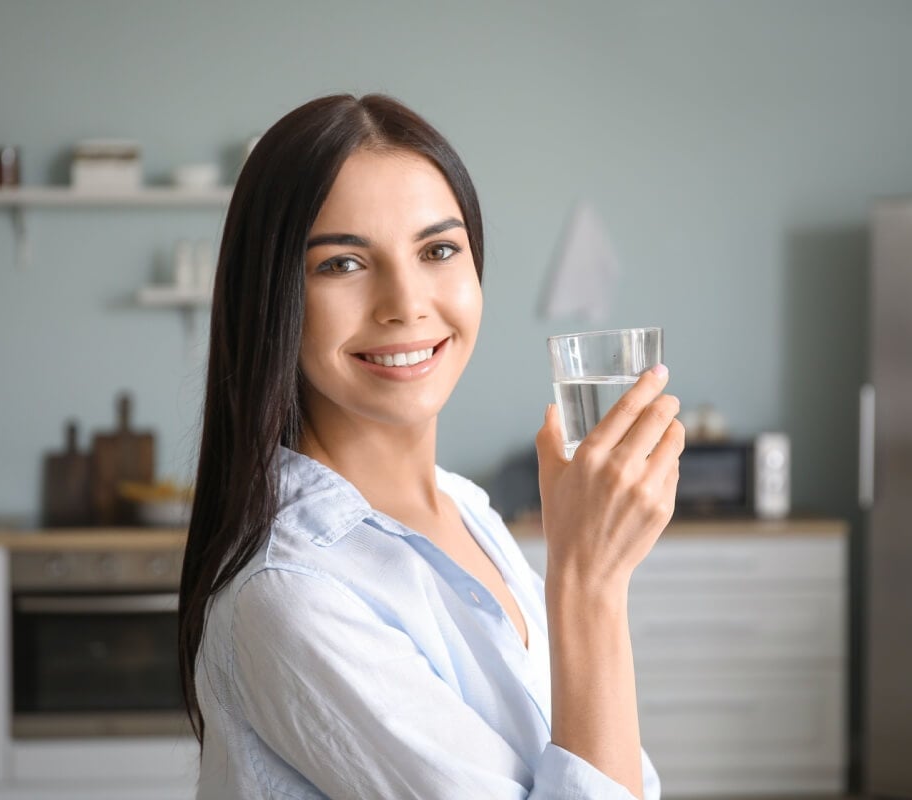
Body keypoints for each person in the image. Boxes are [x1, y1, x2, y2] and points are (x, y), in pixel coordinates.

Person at [178, 93, 685, 800]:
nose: (406, 304)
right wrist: (591, 582)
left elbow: (614, 771)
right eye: (343, 264)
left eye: (439, 250)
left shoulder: (466, 510)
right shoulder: (290, 594)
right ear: (273, 296)